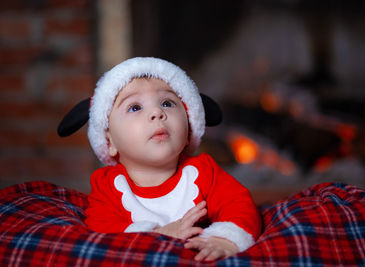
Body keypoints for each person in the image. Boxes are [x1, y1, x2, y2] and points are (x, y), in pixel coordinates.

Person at [58, 57, 261, 261]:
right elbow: (102, 231)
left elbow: (239, 204)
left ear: (190, 126)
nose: (157, 112)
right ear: (110, 141)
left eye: (167, 103)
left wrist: (225, 240)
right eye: (135, 107)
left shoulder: (203, 170)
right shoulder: (109, 185)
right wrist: (158, 234)